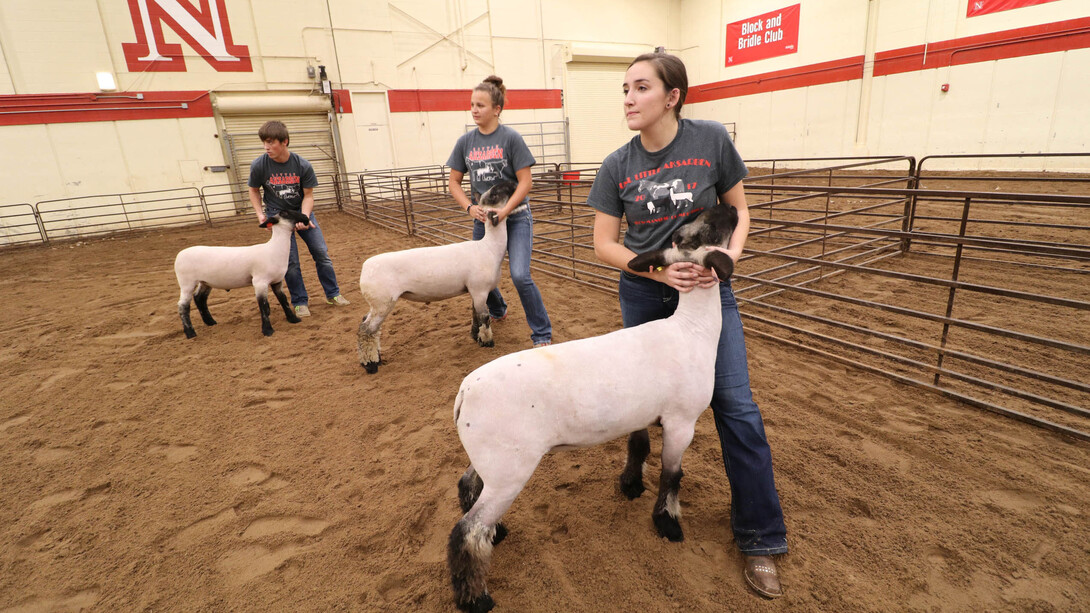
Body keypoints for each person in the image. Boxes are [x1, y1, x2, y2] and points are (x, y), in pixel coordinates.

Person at [587, 52, 788, 599]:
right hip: (646, 293)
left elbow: (739, 211)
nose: (628, 98)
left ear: (672, 96)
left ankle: (761, 538)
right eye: (624, 88)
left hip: (706, 296)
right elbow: (605, 242)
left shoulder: (710, 141)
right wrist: (657, 268)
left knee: (736, 405)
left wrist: (728, 262)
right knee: (640, 397)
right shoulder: (616, 165)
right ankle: (635, 469)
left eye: (641, 87)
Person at [447, 75, 553, 347]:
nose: (474, 110)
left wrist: (506, 210)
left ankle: (541, 333)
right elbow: (454, 182)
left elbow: (526, 181)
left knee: (519, 274)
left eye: (480, 105)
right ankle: (497, 309)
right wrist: (469, 208)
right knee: (480, 274)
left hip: (515, 218)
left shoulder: (511, 139)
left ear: (497, 109)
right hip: (483, 220)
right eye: (472, 104)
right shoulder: (465, 142)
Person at [248, 120, 350, 317]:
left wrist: (304, 218)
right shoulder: (259, 165)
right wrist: (261, 214)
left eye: (271, 142)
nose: (266, 147)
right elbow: (253, 190)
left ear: (284, 141)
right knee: (291, 261)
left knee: (321, 254)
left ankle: (333, 294)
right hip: (278, 216)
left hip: (301, 211)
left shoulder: (302, 165)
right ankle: (300, 302)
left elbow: (308, 195)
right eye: (264, 143)